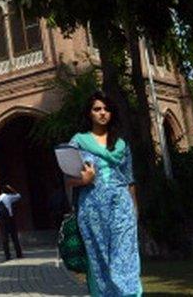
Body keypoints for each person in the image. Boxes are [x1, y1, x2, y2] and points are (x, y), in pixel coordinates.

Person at [66, 91, 141, 296]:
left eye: (106, 109)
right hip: (92, 207)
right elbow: (67, 178)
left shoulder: (121, 144)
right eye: (97, 109)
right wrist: (83, 180)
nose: (102, 113)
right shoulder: (78, 142)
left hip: (121, 206)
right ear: (89, 113)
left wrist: (135, 211)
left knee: (125, 257)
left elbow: (129, 179)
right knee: (100, 259)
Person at [0, 185, 23, 260]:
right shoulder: (9, 197)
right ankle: (18, 253)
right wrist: (12, 189)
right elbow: (19, 196)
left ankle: (7, 255)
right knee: (14, 237)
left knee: (4, 238)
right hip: (9, 219)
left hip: (1, 219)